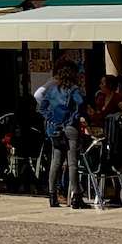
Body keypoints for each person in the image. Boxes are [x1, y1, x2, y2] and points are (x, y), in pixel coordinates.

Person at [38, 66, 86, 208]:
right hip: (70, 127)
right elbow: (81, 103)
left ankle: (52, 196)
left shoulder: (52, 90)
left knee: (56, 162)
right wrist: (74, 117)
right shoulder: (74, 90)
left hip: (55, 129)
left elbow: (42, 107)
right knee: (72, 163)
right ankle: (76, 196)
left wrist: (52, 119)